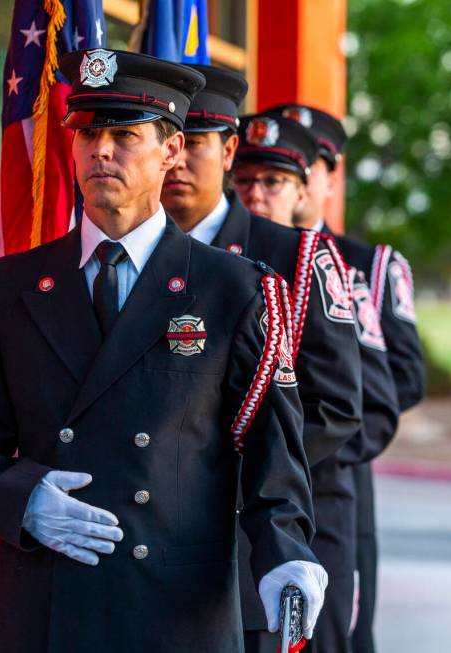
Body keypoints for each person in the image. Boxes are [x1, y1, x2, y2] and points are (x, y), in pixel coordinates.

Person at [0, 49, 326, 653]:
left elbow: (271, 455)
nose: (101, 150)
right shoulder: (6, 286)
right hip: (49, 605)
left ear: (171, 150)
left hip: (174, 613)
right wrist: (23, 500)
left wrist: (286, 557)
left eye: (125, 134)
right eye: (89, 132)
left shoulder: (237, 290)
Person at [160, 68, 363, 653]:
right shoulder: (132, 255)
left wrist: (222, 475)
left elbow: (337, 408)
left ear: (226, 151)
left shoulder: (298, 257)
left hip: (251, 544)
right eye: (165, 138)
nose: (175, 159)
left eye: (192, 142)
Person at [272, 103, 424, 653]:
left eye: (314, 162)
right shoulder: (237, 255)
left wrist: (307, 437)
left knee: (336, 630)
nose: (298, 175)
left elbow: (402, 378)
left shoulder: (367, 265)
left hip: (336, 471)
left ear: (330, 175)